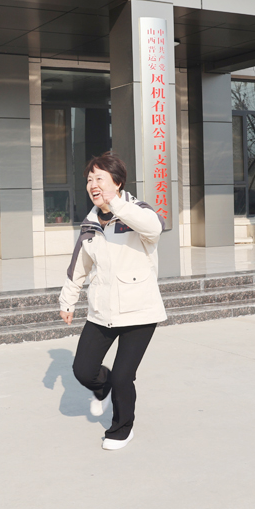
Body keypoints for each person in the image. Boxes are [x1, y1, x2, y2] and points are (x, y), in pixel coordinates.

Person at [59, 152, 166, 451]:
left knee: (123, 377)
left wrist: (115, 204)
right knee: (83, 370)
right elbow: (78, 267)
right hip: (102, 310)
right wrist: (68, 301)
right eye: (89, 180)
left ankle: (122, 428)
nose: (93, 184)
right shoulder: (90, 224)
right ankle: (102, 386)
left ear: (117, 183)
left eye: (100, 178)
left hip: (139, 311)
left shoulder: (137, 212)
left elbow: (154, 228)